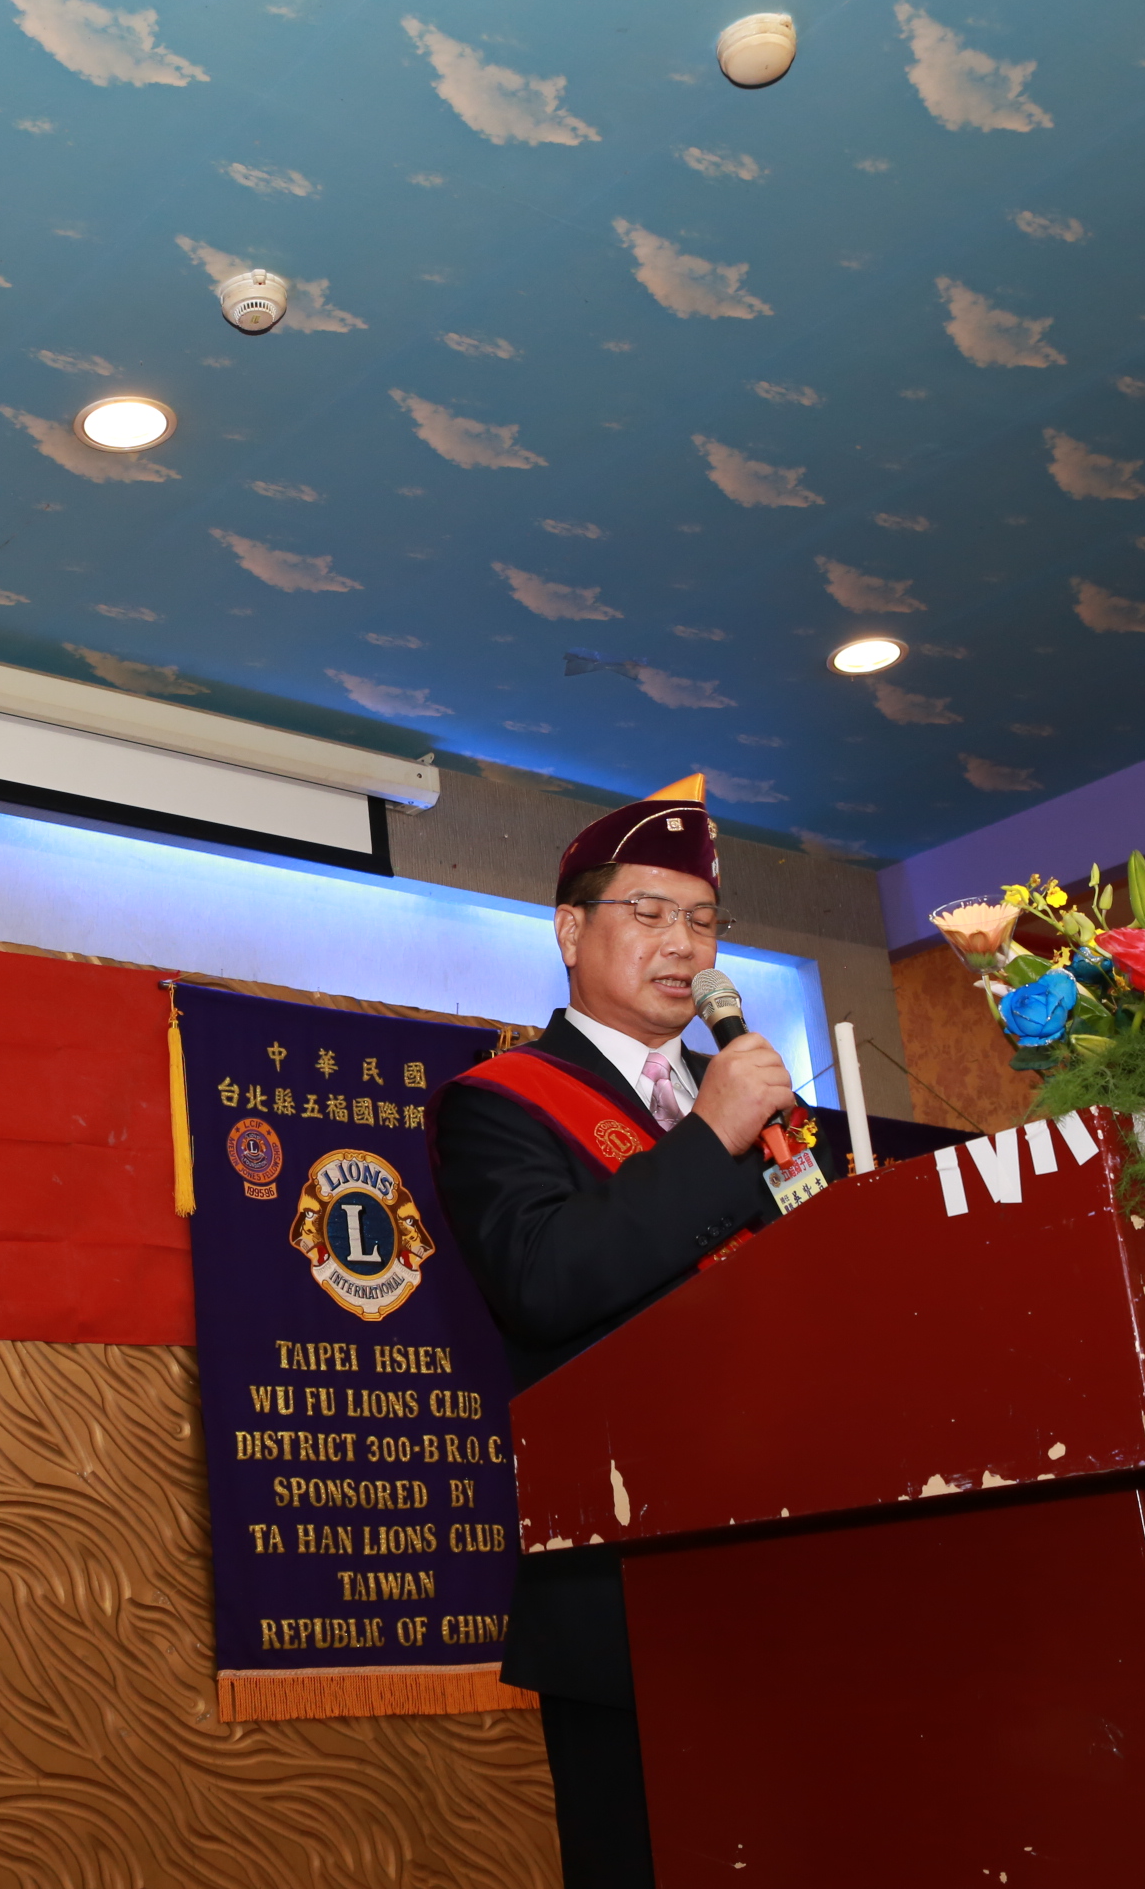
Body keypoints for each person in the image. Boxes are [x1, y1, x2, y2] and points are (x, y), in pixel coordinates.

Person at [430, 775, 804, 1889]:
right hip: (625, 1585)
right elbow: (545, 1281)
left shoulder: (758, 1106)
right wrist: (710, 1138)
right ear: (569, 930)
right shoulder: (499, 1103)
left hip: (792, 1565)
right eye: (649, 912)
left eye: (703, 919)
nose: (683, 944)